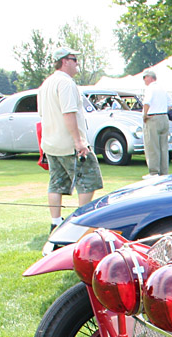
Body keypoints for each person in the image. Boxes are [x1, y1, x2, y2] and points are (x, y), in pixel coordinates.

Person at [38, 46, 103, 231]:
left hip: (51, 144)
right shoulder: (65, 83)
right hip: (69, 145)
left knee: (56, 183)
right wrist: (79, 141)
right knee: (88, 181)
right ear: (65, 61)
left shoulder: (46, 84)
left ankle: (56, 221)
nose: (77, 65)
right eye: (74, 60)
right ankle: (80, 222)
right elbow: (68, 113)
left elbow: (42, 114)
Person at [141, 70, 171, 176]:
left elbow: (147, 103)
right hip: (164, 117)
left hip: (153, 117)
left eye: (145, 77)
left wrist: (145, 115)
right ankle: (164, 171)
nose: (144, 80)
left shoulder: (150, 88)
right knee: (163, 147)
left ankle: (154, 172)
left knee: (152, 146)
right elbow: (170, 103)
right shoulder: (162, 88)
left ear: (150, 77)